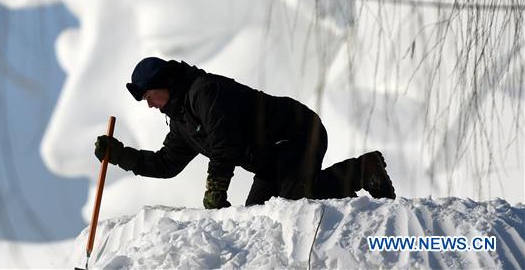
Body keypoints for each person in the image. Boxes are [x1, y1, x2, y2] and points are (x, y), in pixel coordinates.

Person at [94, 57, 396, 208]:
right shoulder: (182, 121)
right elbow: (165, 164)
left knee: (294, 205)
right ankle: (360, 174)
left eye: (148, 98)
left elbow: (225, 144)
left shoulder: (204, 92)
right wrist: (119, 155)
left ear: (163, 84)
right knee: (257, 219)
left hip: (298, 133)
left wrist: (215, 189)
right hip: (271, 160)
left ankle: (362, 170)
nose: (149, 106)